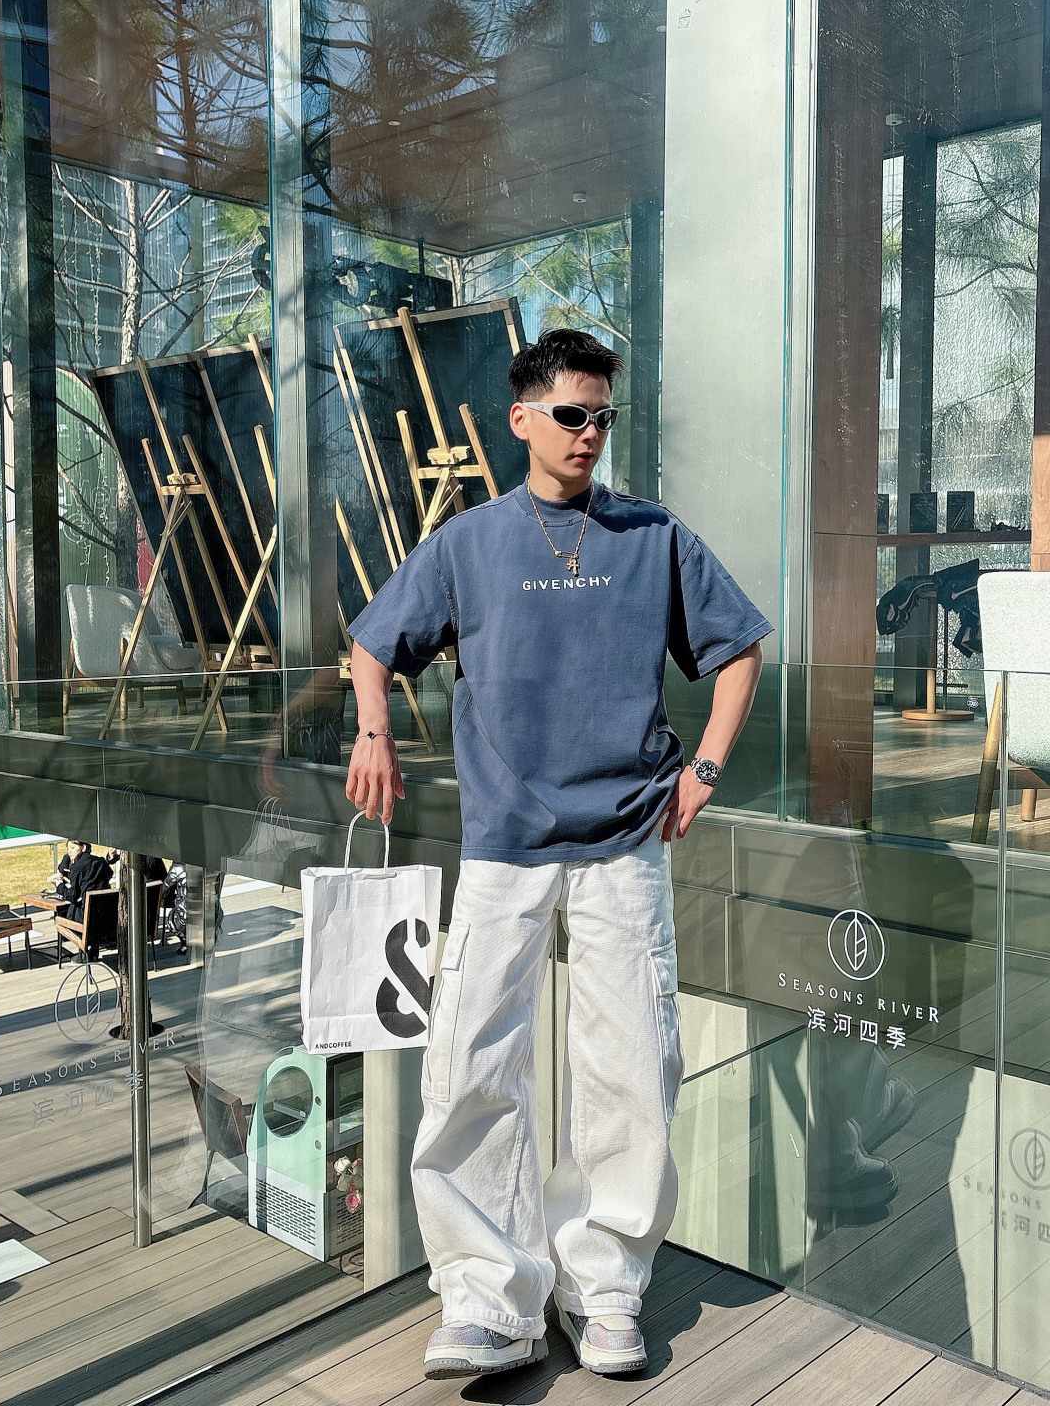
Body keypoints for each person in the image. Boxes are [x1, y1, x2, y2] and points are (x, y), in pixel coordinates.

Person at [345, 329, 770, 1381]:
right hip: (505, 840)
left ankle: (606, 1286)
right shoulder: (469, 543)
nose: (589, 434)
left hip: (626, 835)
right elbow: (372, 642)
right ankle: (488, 1297)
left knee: (631, 1065)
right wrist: (373, 732)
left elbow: (740, 650)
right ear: (522, 419)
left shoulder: (651, 534)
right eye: (571, 415)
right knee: (471, 1065)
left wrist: (705, 770)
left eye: (602, 417)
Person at [55, 842, 114, 922]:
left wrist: (59, 885)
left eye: (72, 848)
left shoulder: (77, 867)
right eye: (68, 849)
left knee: (61, 916)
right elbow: (109, 873)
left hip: (85, 916)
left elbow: (73, 896)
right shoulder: (101, 862)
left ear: (83, 847)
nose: (69, 851)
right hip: (106, 913)